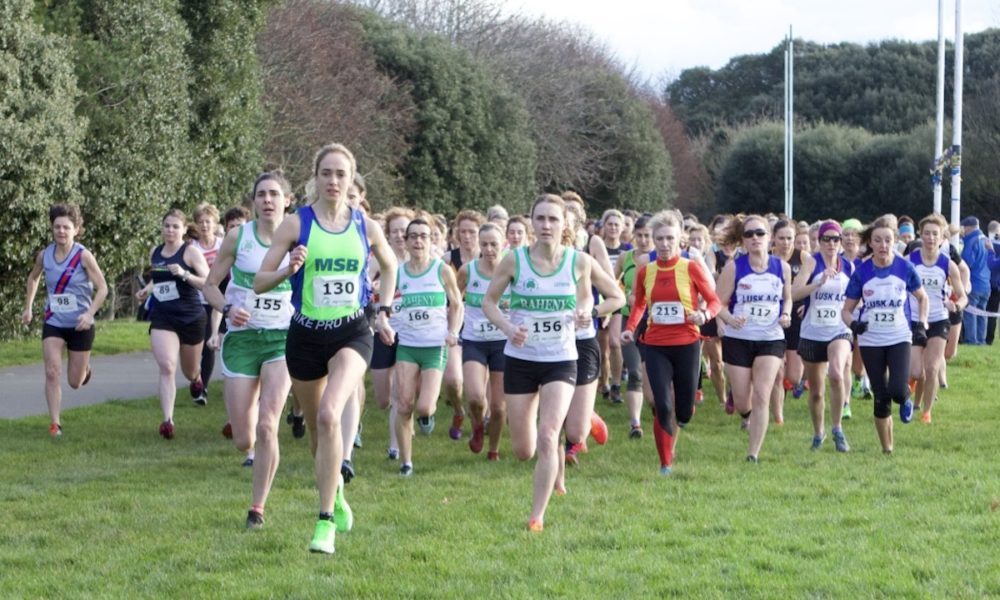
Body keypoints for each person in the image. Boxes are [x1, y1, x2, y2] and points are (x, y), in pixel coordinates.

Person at [254, 143, 397, 555]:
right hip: (305, 336)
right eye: (326, 173)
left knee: (332, 413)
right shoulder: (295, 224)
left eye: (341, 174)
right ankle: (334, 490)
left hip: (352, 332)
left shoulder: (365, 226)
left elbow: (390, 266)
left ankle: (324, 521)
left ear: (351, 180)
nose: (334, 181)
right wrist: (288, 269)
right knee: (318, 431)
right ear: (315, 177)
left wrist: (382, 311)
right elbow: (259, 281)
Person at [482, 194, 624, 532]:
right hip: (521, 360)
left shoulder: (579, 262)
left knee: (548, 435)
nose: (546, 225)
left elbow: (618, 296)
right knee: (523, 449)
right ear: (532, 222)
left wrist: (591, 312)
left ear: (564, 225)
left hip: (561, 360)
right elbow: (489, 302)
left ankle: (537, 516)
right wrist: (507, 328)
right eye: (540, 218)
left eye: (553, 219)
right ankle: (582, 414)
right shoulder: (514, 260)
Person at [203, 171, 293, 529]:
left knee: (268, 425)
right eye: (261, 195)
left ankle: (257, 507)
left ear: (287, 200)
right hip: (242, 340)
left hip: (281, 339)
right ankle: (250, 434)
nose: (267, 200)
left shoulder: (300, 239)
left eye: (274, 194)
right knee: (244, 439)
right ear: (253, 201)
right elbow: (210, 285)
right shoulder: (238, 237)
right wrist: (227, 309)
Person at [622, 211, 721, 475]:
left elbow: (714, 301)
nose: (664, 244)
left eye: (670, 239)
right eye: (660, 239)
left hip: (687, 343)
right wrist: (630, 329)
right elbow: (639, 304)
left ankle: (684, 414)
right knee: (662, 405)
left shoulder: (691, 267)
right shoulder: (646, 270)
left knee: (684, 410)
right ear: (653, 240)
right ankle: (665, 463)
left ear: (680, 240)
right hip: (656, 344)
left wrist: (704, 315)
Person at [842, 215, 928, 454]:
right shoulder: (862, 272)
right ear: (870, 243)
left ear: (895, 241)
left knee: (898, 390)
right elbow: (846, 310)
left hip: (899, 336)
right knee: (880, 396)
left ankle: (906, 398)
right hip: (871, 339)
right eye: (878, 240)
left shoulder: (905, 268)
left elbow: (922, 298)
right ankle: (886, 449)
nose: (883, 245)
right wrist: (854, 325)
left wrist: (921, 324)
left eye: (888, 240)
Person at [21, 203, 108, 436]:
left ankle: (85, 370)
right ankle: (55, 423)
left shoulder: (83, 256)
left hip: (80, 324)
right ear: (52, 228)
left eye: (66, 227)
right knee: (52, 371)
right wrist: (28, 307)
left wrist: (89, 314)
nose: (61, 231)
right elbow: (33, 278)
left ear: (76, 230)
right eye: (57, 227)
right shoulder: (44, 256)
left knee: (74, 382)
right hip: (54, 322)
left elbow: (102, 288)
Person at [715, 214, 792, 463]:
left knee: (761, 394)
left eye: (760, 233)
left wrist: (786, 313)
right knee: (742, 402)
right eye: (749, 234)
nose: (755, 238)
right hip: (738, 338)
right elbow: (717, 304)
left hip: (771, 338)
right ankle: (745, 414)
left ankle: (753, 453)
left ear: (769, 238)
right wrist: (729, 319)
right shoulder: (734, 267)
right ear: (743, 240)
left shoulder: (782, 267)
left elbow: (787, 298)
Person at [393, 218, 463, 475]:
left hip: (435, 346)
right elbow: (386, 302)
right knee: (403, 405)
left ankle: (427, 416)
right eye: (413, 236)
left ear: (431, 240)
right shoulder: (398, 272)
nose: (418, 241)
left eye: (424, 236)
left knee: (423, 407)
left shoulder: (441, 270)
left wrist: (453, 331)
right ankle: (406, 462)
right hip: (407, 346)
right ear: (406, 241)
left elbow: (457, 304)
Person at [136, 209, 211, 439]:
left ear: (184, 229)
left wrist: (185, 274)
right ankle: (168, 421)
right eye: (167, 226)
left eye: (175, 226)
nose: (170, 230)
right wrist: (147, 290)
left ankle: (197, 379)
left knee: (189, 371)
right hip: (163, 316)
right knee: (167, 366)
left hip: (190, 317)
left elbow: (209, 282)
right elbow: (158, 279)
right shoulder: (155, 252)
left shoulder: (190, 252)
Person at [792, 220, 854, 452]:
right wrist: (818, 283)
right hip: (813, 332)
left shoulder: (848, 266)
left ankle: (837, 428)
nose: (831, 243)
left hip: (839, 329)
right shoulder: (811, 262)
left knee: (836, 374)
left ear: (841, 242)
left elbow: (856, 297)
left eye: (836, 239)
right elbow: (794, 292)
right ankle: (819, 433)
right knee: (817, 393)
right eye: (826, 239)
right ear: (819, 241)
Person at [908, 214, 966, 423]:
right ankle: (912, 389)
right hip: (914, 319)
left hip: (939, 319)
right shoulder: (910, 261)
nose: (931, 238)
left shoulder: (948, 264)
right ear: (920, 235)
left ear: (942, 238)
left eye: (935, 234)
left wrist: (956, 305)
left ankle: (926, 412)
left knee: (932, 368)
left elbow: (963, 296)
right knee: (917, 371)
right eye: (927, 233)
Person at [457, 223, 508, 459]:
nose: (488, 249)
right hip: (474, 341)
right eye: (484, 244)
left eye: (494, 244)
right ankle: (478, 424)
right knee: (476, 398)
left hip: (503, 343)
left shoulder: (512, 271)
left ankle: (493, 450)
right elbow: (454, 299)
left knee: (498, 407)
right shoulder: (468, 271)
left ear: (503, 244)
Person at [370, 207, 413, 461]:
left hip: (409, 333)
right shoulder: (379, 259)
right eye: (394, 231)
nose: (399, 236)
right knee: (383, 398)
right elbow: (363, 285)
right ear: (387, 234)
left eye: (403, 231)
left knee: (400, 393)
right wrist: (373, 287)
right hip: (382, 330)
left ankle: (396, 445)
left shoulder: (420, 261)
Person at [442, 210, 483, 440]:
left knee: (479, 391)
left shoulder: (489, 256)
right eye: (463, 231)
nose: (467, 236)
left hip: (483, 327)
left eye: (472, 232)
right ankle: (458, 411)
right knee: (453, 380)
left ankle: (479, 424)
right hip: (455, 323)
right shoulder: (448, 259)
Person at [615, 215, 654, 436]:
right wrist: (624, 296)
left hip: (654, 323)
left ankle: (659, 408)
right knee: (635, 372)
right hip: (629, 320)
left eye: (647, 235)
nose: (643, 240)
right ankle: (635, 423)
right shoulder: (625, 257)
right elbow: (612, 284)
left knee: (653, 375)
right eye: (639, 235)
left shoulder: (660, 259)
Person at [191, 203, 223, 406]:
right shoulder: (192, 248)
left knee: (210, 344)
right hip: (198, 300)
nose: (204, 226)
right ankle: (196, 378)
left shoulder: (223, 245)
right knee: (198, 345)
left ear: (215, 223)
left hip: (218, 299)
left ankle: (204, 388)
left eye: (208, 222)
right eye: (201, 222)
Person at [961, 216, 993, 345]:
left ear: (968, 228)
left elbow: (967, 262)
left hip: (974, 282)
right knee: (982, 313)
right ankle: (981, 340)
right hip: (986, 283)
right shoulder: (986, 240)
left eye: (963, 228)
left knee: (971, 313)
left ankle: (971, 340)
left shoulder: (971, 241)